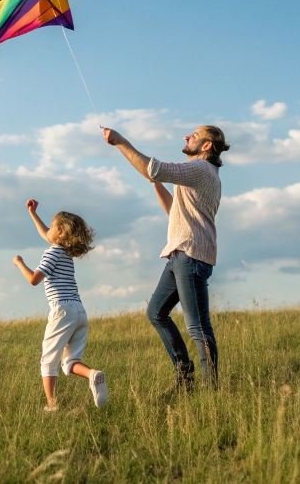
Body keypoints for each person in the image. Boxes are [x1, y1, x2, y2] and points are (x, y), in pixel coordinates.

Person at [102, 124, 229, 391]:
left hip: (191, 255)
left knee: (197, 327)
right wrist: (156, 183)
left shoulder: (201, 169)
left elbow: (155, 168)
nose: (187, 137)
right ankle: (185, 376)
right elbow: (174, 211)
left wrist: (120, 141)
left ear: (207, 146)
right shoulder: (202, 174)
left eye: (194, 135)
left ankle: (211, 389)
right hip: (179, 254)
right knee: (156, 313)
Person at [12, 199, 109, 411]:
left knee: (48, 360)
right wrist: (32, 213)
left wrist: (20, 263)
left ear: (61, 232)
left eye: (53, 225)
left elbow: (33, 279)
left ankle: (52, 405)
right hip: (79, 311)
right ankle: (93, 374)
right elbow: (46, 234)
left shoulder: (52, 253)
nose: (49, 229)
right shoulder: (65, 254)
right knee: (69, 362)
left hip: (62, 310)